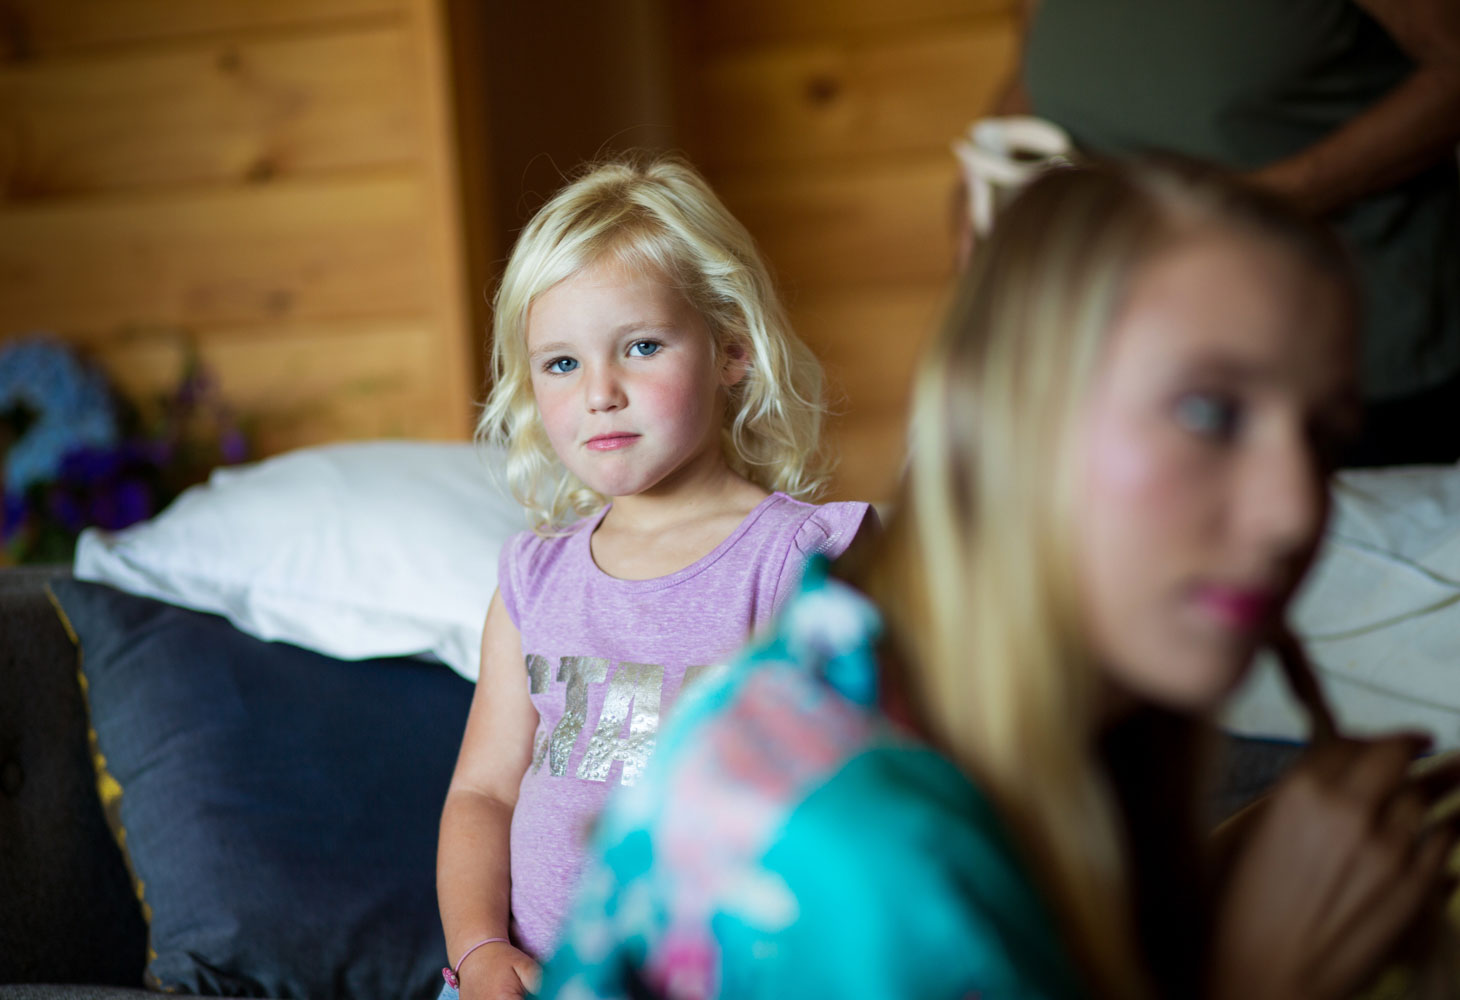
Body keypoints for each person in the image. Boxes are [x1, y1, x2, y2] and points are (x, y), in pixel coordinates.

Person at [540, 159, 1460, 999]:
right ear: (1008, 414)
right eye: (1208, 411)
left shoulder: (1082, 742)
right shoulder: (844, 846)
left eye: (1326, 437)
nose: (1296, 509)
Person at [434, 158, 875, 999]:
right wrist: (481, 950)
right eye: (561, 363)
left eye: (640, 347)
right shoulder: (533, 578)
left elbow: (848, 802)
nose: (600, 392)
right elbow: (484, 793)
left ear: (732, 352)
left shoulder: (800, 559)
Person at [959, 0, 1460, 467]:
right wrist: (985, 175)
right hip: (1121, 355)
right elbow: (1036, 74)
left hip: (1356, 352)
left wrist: (1270, 202)